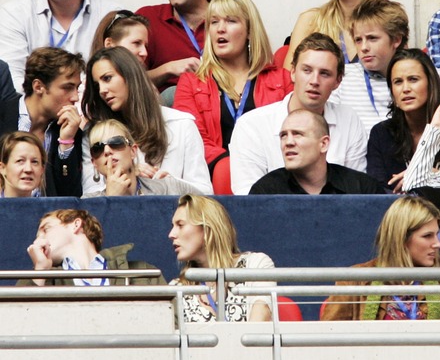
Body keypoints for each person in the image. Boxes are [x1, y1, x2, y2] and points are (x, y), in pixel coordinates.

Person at [230, 33, 367, 195]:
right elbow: (249, 202)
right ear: (293, 72)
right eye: (307, 70)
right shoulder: (251, 126)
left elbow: (357, 190)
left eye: (324, 73)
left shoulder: (348, 119)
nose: (314, 81)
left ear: (338, 81)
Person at [173, 0, 291, 177]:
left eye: (231, 21)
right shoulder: (191, 83)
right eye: (214, 22)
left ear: (250, 31)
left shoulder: (282, 80)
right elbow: (192, 140)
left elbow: (294, 134)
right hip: (214, 178)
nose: (220, 29)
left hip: (271, 175)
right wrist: (229, 164)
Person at [81, 47, 212, 195]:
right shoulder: (94, 134)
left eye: (107, 78)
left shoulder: (181, 124)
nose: (102, 90)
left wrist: (171, 183)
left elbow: (206, 194)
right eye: (97, 85)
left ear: (130, 76)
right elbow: (91, 194)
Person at [321, 195, 440, 320]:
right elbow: (329, 339)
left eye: (436, 235)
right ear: (401, 238)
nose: (438, 244)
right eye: (427, 236)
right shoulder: (354, 280)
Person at [329, 0, 440, 132]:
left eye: (372, 38)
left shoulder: (427, 72)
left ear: (396, 39)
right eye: (358, 40)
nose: (363, 47)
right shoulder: (343, 77)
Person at [169, 194, 276, 322]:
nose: (171, 234)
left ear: (208, 228)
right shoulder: (177, 288)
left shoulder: (255, 264)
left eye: (180, 225)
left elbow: (260, 319)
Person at [0, 47, 83, 197]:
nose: (75, 97)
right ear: (38, 87)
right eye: (67, 88)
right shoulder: (3, 114)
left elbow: (70, 196)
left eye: (77, 88)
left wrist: (66, 142)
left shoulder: (71, 132)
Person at [367, 49, 440, 191]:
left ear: (431, 84)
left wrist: (423, 174)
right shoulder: (381, 133)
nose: (405, 88)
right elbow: (378, 190)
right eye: (398, 82)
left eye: (413, 79)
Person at [249, 109, 384, 195]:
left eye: (297, 134)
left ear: (324, 144)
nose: (288, 142)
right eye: (283, 135)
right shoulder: (265, 192)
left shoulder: (362, 189)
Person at [21, 209, 166, 287]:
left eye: (46, 229)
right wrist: (40, 271)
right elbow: (14, 326)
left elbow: (174, 322)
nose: (37, 241)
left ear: (76, 225)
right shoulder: (42, 280)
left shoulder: (143, 272)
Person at [82, 119, 201, 197]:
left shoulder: (169, 189)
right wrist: (111, 200)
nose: (107, 151)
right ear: (94, 163)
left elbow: (212, 212)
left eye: (116, 142)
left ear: (133, 151)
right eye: (98, 148)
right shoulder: (88, 203)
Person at [0, 131, 46, 198]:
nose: (28, 169)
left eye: (34, 162)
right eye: (20, 161)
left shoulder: (51, 207)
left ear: (42, 170)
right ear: (2, 168)